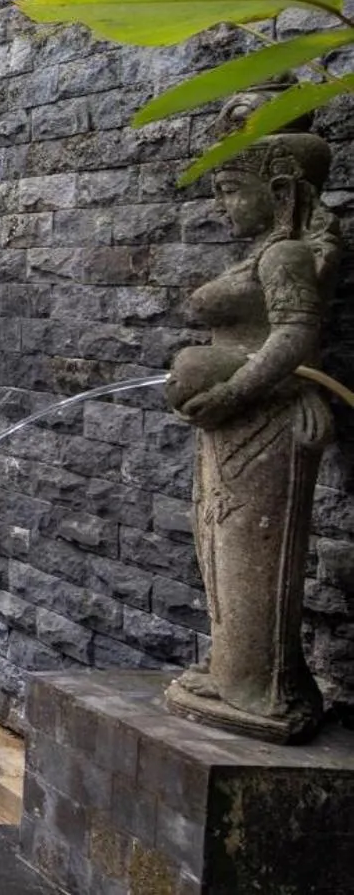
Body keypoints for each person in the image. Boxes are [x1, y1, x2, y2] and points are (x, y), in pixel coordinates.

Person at [163, 93, 341, 742]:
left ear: (280, 189)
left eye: (231, 188)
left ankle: (261, 687)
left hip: (267, 417)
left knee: (251, 549)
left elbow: (293, 337)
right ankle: (228, 664)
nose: (221, 205)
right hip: (232, 424)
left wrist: (235, 388)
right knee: (217, 541)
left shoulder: (284, 256)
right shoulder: (262, 252)